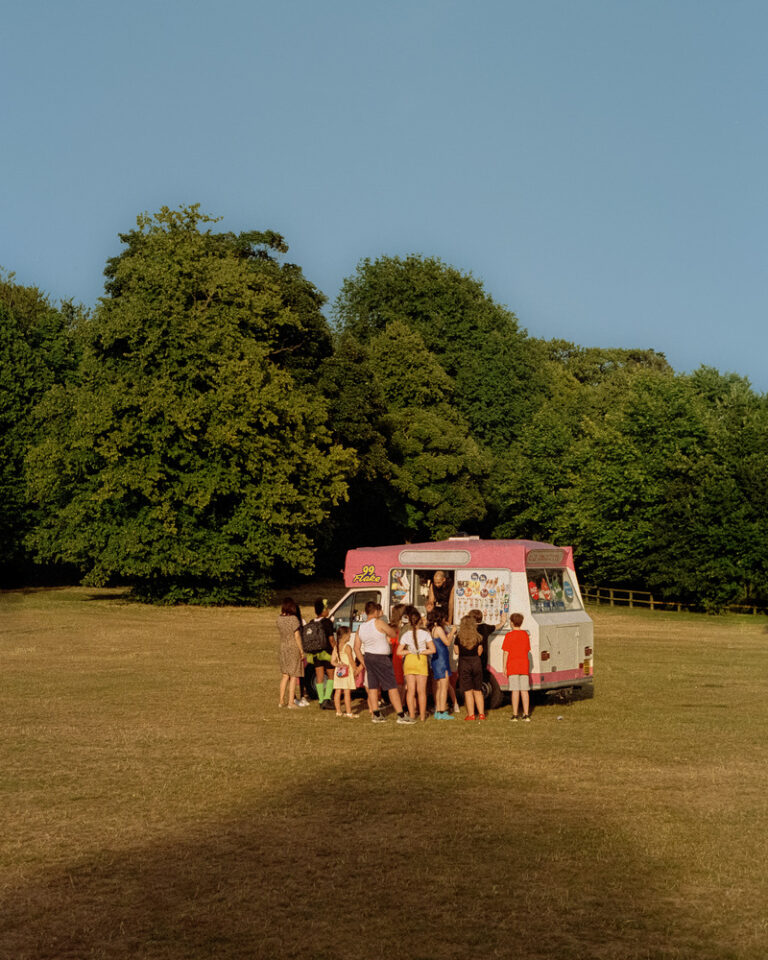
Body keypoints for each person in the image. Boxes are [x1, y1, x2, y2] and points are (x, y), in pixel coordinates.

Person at [354, 601, 409, 724]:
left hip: (368, 657)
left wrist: (363, 662)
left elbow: (356, 648)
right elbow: (393, 633)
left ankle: (376, 714)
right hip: (381, 658)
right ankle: (401, 714)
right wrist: (385, 634)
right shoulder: (378, 622)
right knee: (392, 687)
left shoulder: (361, 627)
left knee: (373, 687)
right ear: (376, 611)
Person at [396, 608, 436, 723]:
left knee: (411, 691)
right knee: (422, 691)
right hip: (421, 662)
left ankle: (412, 715)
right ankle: (423, 716)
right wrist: (422, 651)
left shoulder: (406, 635)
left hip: (409, 662)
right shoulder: (425, 634)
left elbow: (399, 652)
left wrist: (409, 651)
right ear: (420, 621)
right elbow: (432, 650)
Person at [304, 598, 336, 710]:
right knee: (331, 676)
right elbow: (331, 639)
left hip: (315, 654)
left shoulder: (312, 622)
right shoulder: (327, 622)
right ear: (323, 610)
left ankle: (321, 700)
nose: (328, 610)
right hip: (327, 653)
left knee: (319, 677)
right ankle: (327, 698)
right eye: (327, 608)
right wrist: (336, 650)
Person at [277, 597, 308, 709]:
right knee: (294, 675)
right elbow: (297, 636)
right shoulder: (294, 619)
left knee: (285, 675)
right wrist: (301, 650)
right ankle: (291, 702)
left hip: (283, 647)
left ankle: (281, 701)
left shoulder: (279, 619)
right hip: (293, 647)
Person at [454, 614, 486, 720]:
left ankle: (471, 714)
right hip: (476, 662)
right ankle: (481, 714)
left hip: (464, 662)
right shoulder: (478, 637)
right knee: (477, 690)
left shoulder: (458, 637)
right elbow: (479, 652)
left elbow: (456, 651)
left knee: (468, 691)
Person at [502, 612, 532, 721]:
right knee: (524, 690)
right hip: (523, 665)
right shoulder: (525, 635)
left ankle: (515, 715)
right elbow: (527, 650)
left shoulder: (509, 635)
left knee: (515, 690)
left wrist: (504, 667)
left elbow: (506, 652)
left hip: (513, 665)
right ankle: (526, 714)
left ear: (511, 622)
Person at [429, 609, 457, 720]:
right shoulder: (439, 629)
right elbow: (447, 642)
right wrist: (452, 632)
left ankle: (438, 710)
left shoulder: (432, 629)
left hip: (437, 660)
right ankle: (442, 711)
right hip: (442, 660)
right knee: (444, 686)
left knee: (439, 687)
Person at [331, 626, 359, 718]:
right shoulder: (347, 647)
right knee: (347, 692)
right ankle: (349, 712)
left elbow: (332, 661)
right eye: (349, 635)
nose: (350, 637)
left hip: (339, 672)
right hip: (347, 672)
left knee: (338, 691)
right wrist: (355, 670)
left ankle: (338, 711)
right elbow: (351, 661)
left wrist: (338, 665)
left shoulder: (336, 647)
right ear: (345, 635)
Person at [388, 602, 408, 702]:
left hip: (400, 655)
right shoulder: (396, 628)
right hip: (399, 656)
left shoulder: (396, 627)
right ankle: (400, 702)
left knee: (403, 681)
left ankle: (401, 702)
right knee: (400, 681)